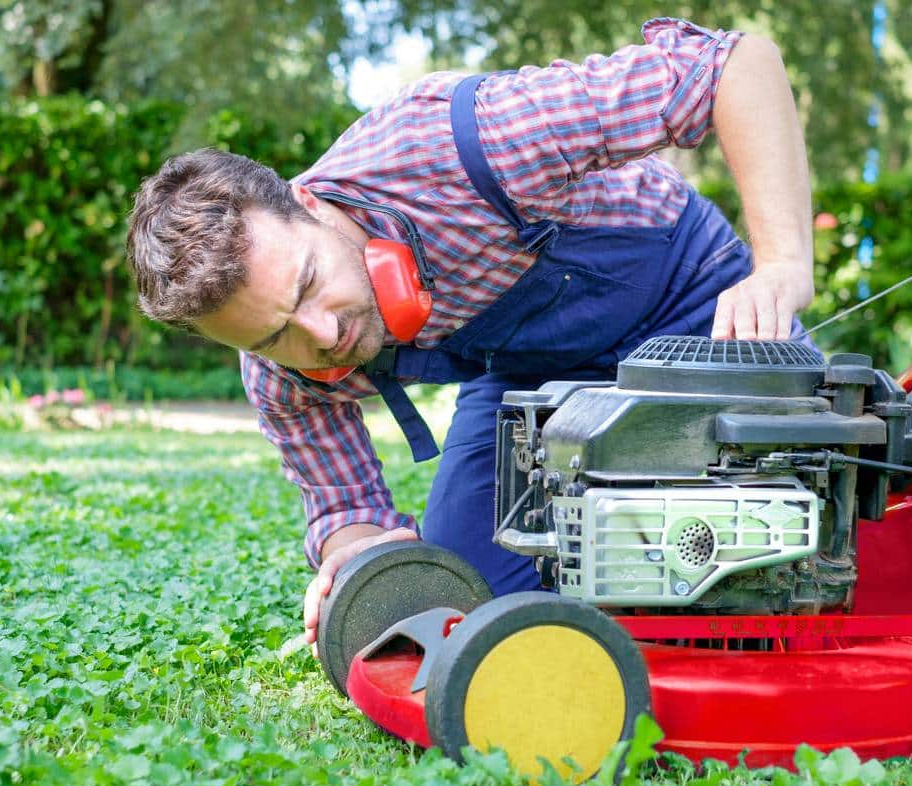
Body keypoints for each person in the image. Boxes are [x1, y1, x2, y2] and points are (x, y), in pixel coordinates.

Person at [126, 17, 816, 650]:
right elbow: (348, 509)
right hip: (531, 378)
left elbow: (732, 66)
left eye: (308, 283)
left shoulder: (467, 145)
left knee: (805, 517)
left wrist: (782, 263)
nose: (323, 334)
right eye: (276, 335)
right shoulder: (278, 372)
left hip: (688, 301)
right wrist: (357, 556)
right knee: (468, 594)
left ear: (308, 201)